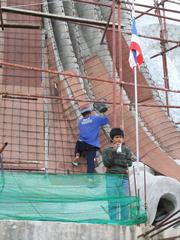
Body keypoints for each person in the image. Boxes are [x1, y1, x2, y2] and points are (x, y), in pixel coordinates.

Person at [102, 128, 136, 221]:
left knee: (124, 201)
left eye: (121, 137)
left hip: (124, 178)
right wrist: (113, 152)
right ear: (112, 139)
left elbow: (129, 163)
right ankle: (114, 221)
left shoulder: (126, 150)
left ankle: (124, 221)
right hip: (111, 178)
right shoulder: (107, 151)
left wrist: (116, 162)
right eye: (117, 137)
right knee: (112, 201)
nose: (119, 139)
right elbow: (107, 163)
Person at [73, 104, 109, 174]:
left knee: (78, 144)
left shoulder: (80, 122)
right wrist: (102, 112)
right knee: (90, 162)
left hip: (81, 144)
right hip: (91, 145)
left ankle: (77, 155)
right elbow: (106, 120)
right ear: (90, 112)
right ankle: (90, 178)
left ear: (82, 114)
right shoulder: (95, 118)